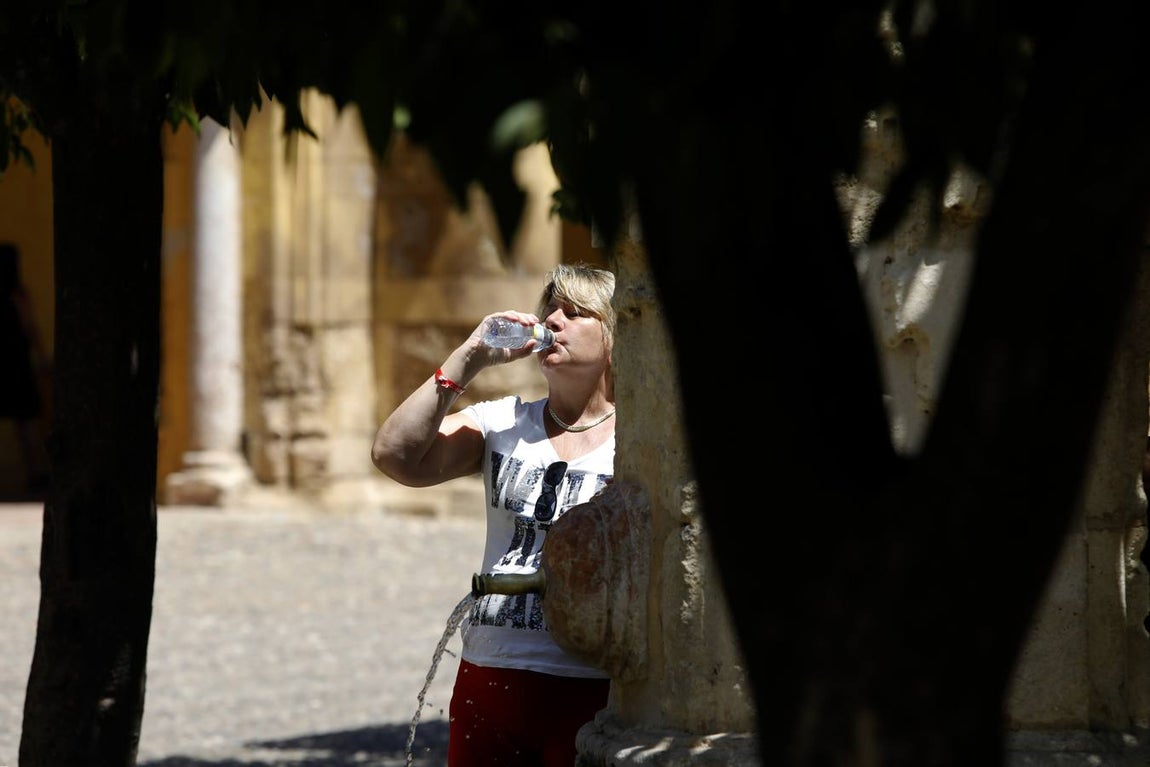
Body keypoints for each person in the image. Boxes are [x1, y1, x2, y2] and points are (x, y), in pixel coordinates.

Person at [372, 261, 617, 767]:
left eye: (575, 313)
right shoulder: (503, 421)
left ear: (615, 335)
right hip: (493, 669)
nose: (553, 321)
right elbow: (396, 456)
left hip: (593, 681)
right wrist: (469, 358)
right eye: (549, 310)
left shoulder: (640, 442)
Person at [0, 242, 50, 497]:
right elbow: (30, 328)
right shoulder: (18, 294)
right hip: (16, 363)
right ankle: (35, 475)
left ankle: (35, 475)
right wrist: (41, 358)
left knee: (25, 423)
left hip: (7, 363)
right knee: (26, 423)